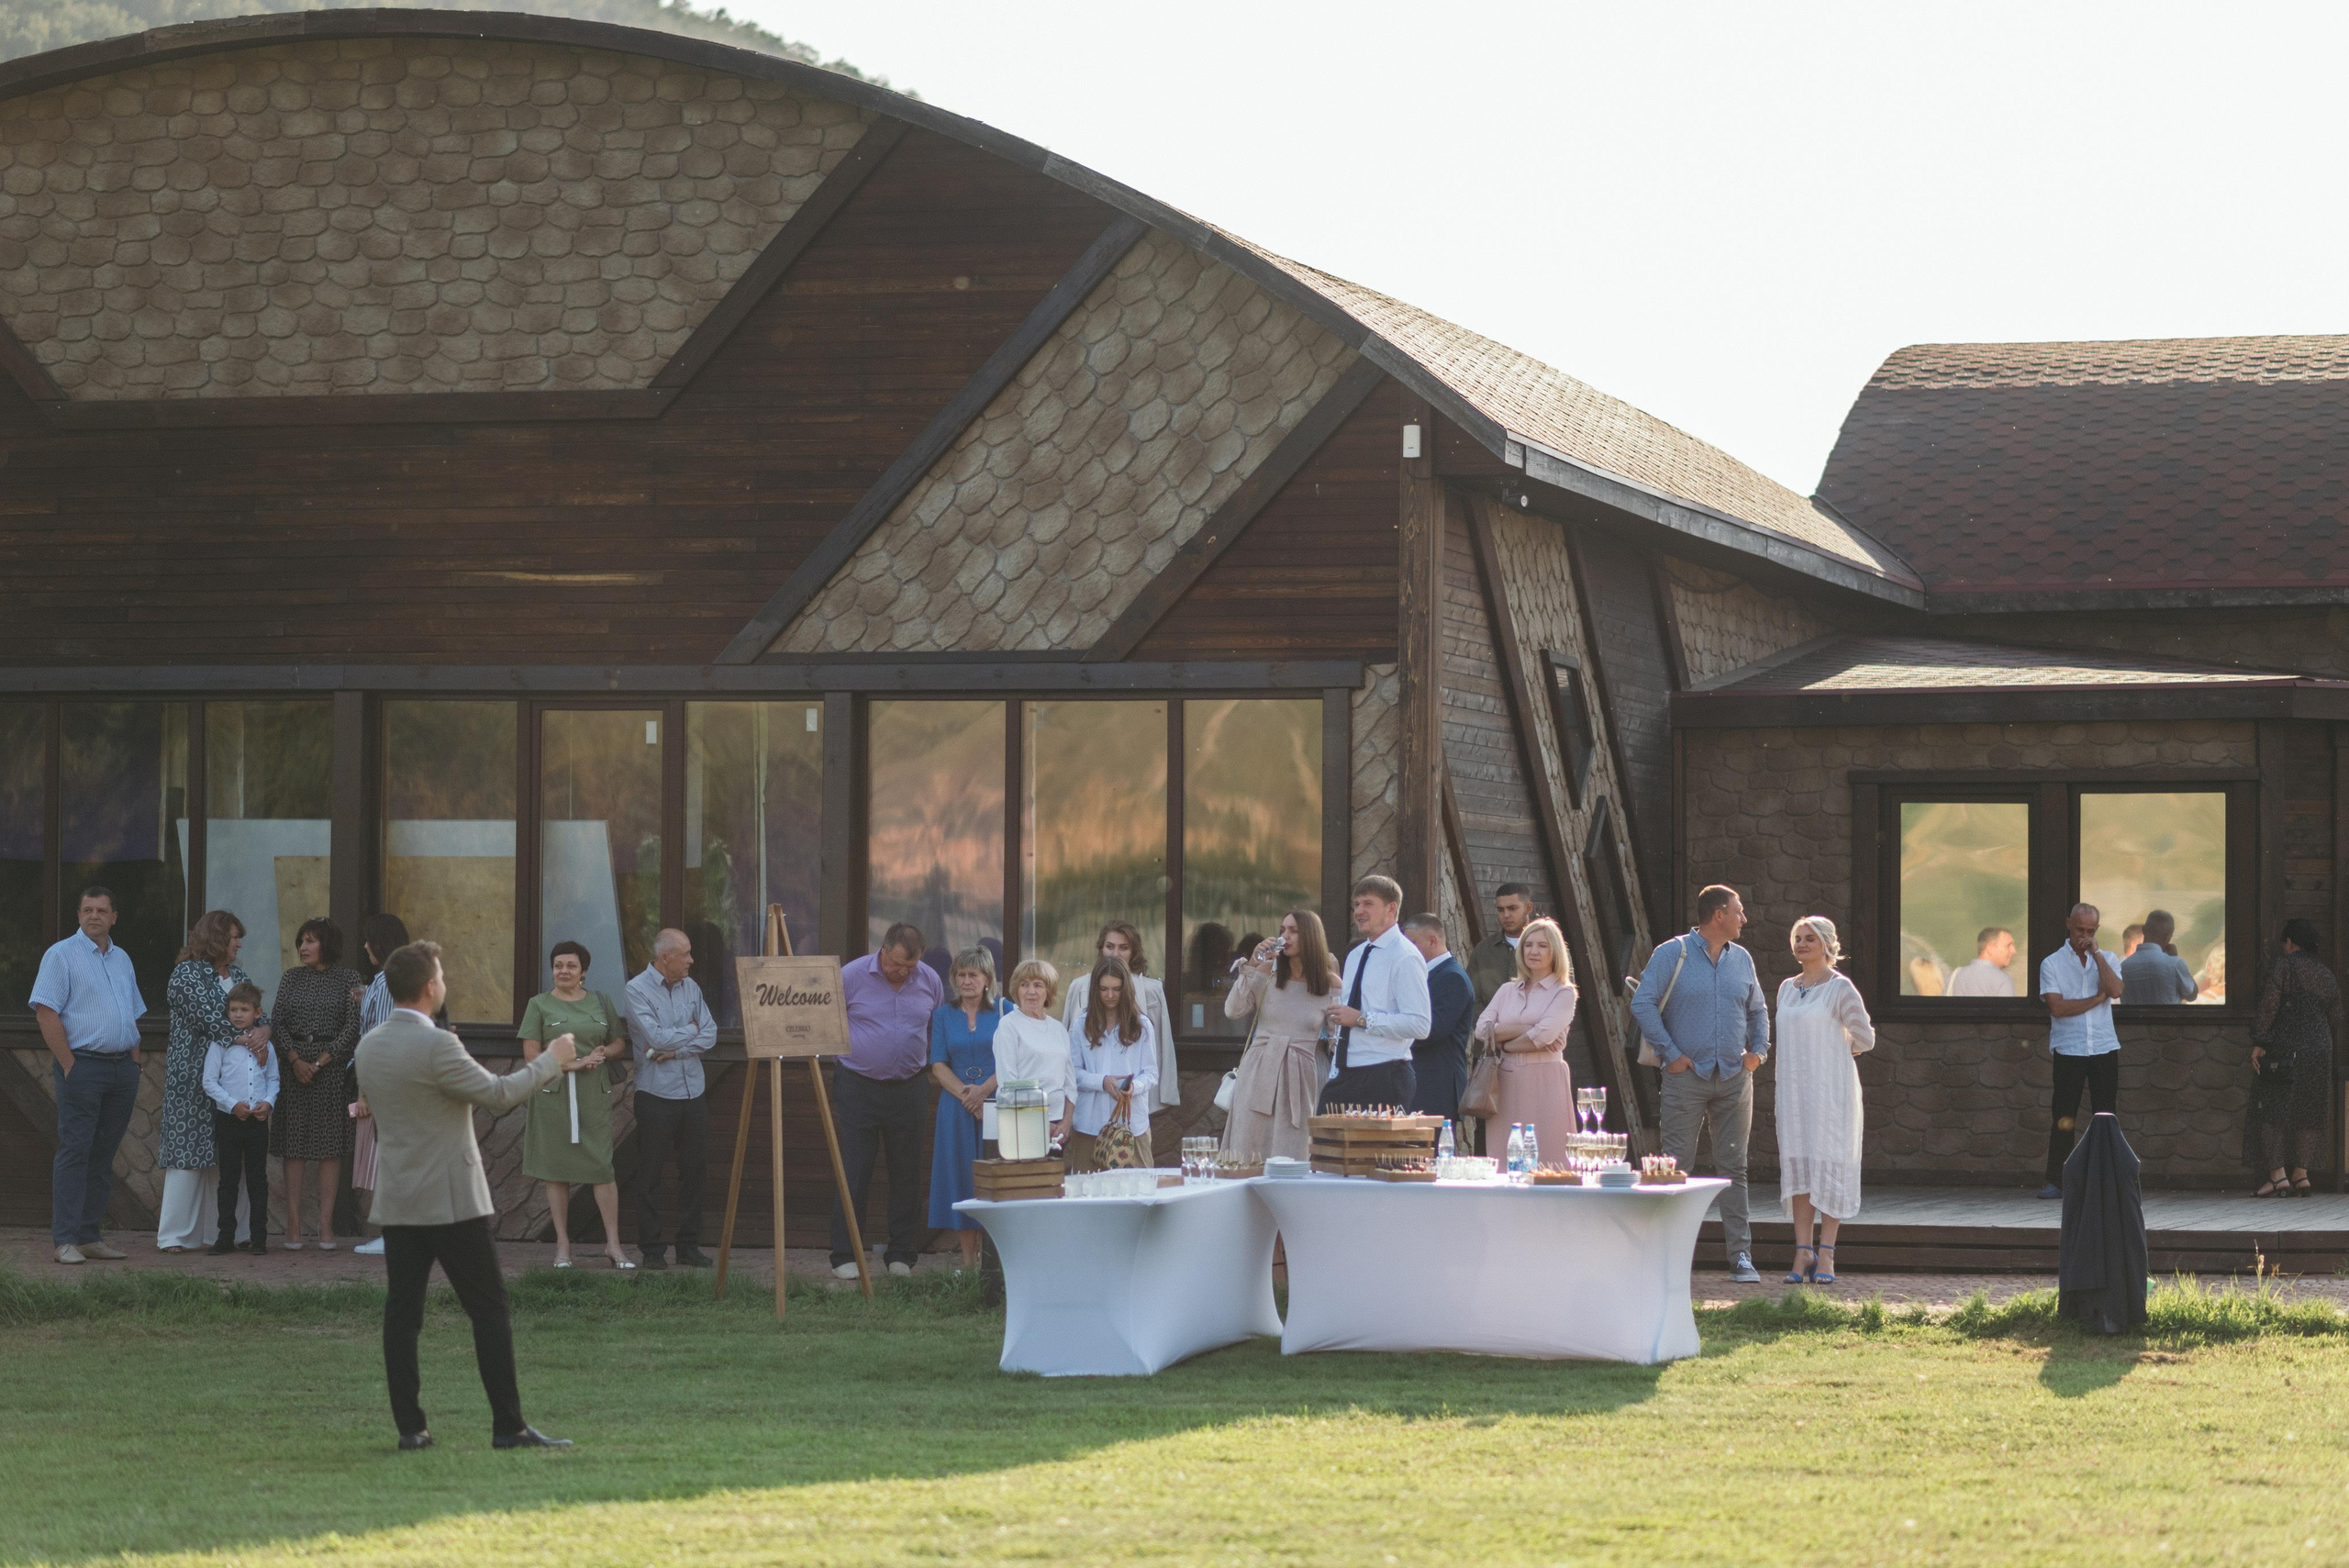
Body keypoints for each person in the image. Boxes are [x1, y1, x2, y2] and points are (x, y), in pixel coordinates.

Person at [357, 940, 575, 1451]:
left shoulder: (369, 1046)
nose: (445, 985)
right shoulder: (438, 1045)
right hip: (452, 1199)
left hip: (399, 1197)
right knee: (488, 1309)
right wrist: (551, 1060)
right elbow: (499, 1097)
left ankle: (411, 1430)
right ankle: (509, 1425)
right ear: (430, 987)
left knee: (402, 1314)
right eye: (443, 977)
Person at [1630, 884, 1770, 1283]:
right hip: (1685, 1079)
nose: (1744, 919)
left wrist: (1758, 1053)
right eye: (1738, 911)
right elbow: (1641, 1002)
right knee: (1674, 1169)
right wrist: (1671, 1055)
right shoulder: (1672, 953)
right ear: (1718, 915)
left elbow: (1758, 1011)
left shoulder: (1742, 959)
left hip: (1733, 1079)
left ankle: (1740, 1257)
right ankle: (1667, 1258)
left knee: (1734, 1170)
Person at [32, 886, 148, 1266]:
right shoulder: (61, 955)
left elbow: (131, 1011)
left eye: (101, 910)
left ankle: (88, 1236)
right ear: (79, 915)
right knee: (75, 1151)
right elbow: (46, 1012)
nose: (94, 916)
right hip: (83, 1065)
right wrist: (68, 1063)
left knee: (103, 1155)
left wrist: (134, 1060)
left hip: (121, 1069)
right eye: (87, 910)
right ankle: (65, 1240)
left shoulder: (122, 959)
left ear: (114, 916)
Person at [831, 922, 943, 1280]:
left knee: (907, 1172)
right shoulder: (850, 976)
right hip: (857, 1085)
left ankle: (901, 1253)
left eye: (909, 966)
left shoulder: (930, 980)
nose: (902, 972)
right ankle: (845, 1253)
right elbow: (829, 1022)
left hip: (910, 1086)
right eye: (897, 964)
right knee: (854, 1170)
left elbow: (934, 1028)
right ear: (883, 949)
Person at [1772, 915, 1876, 1284]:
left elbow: (1864, 1037)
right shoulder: (1786, 988)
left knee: (1829, 1166)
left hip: (1830, 1092)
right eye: (1797, 937)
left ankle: (1827, 1254)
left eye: (1809, 938)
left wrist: (1839, 1049)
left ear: (1827, 945)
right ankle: (1802, 1252)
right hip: (1795, 1092)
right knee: (1800, 1168)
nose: (1801, 944)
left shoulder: (1840, 988)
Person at [519, 940, 633, 1269]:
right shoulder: (538, 1005)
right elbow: (530, 1055)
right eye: (558, 965)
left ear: (583, 971)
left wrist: (602, 1054)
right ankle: (563, 1247)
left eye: (571, 965)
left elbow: (617, 1042)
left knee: (601, 1166)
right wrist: (570, 1065)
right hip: (553, 1094)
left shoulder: (601, 1001)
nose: (563, 971)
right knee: (556, 1171)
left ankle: (613, 1245)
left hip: (592, 1094)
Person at [158, 909, 264, 1253]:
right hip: (192, 1078)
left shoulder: (238, 974)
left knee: (231, 1159)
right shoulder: (185, 975)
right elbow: (212, 1019)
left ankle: (228, 1233)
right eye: (234, 936)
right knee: (188, 1156)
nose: (239, 943)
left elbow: (259, 1011)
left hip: (234, 1084)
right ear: (217, 938)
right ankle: (175, 1236)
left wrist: (265, 1029)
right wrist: (251, 1033)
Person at [626, 928, 716, 1270]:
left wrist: (676, 1050)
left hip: (693, 1092)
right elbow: (655, 1039)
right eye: (686, 954)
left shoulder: (691, 987)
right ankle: (652, 1250)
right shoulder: (636, 990)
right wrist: (691, 1032)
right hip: (656, 1095)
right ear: (666, 958)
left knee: (694, 1173)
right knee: (650, 1175)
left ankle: (688, 1246)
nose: (692, 960)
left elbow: (711, 1034)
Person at [273, 917, 362, 1251]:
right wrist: (296, 1061)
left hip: (332, 1070)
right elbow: (277, 1021)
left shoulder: (348, 978)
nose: (303, 948)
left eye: (310, 941)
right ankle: (293, 1223)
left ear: (327, 944)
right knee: (293, 1146)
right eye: (301, 942)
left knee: (329, 1148)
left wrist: (321, 1062)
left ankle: (325, 1224)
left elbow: (353, 1027)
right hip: (293, 1068)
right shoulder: (291, 977)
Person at [1221, 910, 1339, 1162]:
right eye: (1283, 930)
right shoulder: (1268, 972)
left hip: (1304, 1075)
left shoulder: (1330, 983)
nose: (1285, 936)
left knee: (1294, 1150)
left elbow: (1336, 1038)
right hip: (1259, 1071)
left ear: (1311, 936)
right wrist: (1252, 965)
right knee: (1249, 1150)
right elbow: (1233, 1010)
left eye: (1293, 931)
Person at [1319, 875, 1434, 1110]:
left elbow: (1420, 1025)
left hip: (1385, 1074)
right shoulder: (1356, 954)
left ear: (1391, 908)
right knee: (1323, 1145)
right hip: (1344, 1074)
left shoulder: (1405, 956)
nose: (1359, 911)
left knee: (1375, 1149)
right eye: (1356, 905)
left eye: (1368, 904)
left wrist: (1362, 1018)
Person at [1473, 916, 1578, 1157]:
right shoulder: (1507, 990)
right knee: (1504, 1152)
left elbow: (1544, 1035)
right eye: (1528, 945)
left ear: (1555, 951)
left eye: (1542, 946)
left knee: (1548, 1154)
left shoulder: (1564, 993)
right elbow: (1481, 1030)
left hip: (1546, 1081)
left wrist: (1505, 1042)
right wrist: (1530, 1027)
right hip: (1505, 1081)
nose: (1534, 951)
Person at [2039, 901, 2124, 1199]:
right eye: (2079, 930)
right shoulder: (2051, 963)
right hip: (2069, 1049)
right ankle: (2057, 1181)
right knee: (2064, 1117)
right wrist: (2094, 999)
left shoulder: (2109, 957)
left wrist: (2097, 954)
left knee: (2105, 1117)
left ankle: (2108, 1180)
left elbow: (2115, 991)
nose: (2084, 936)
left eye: (2090, 931)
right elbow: (2057, 1007)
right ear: (2068, 925)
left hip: (2103, 1047)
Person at [2251, 920, 2337, 1197]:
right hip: (2321, 1047)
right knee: (2310, 1111)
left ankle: (2277, 1176)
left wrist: (2259, 1041)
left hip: (2286, 1047)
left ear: (2289, 942)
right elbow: (2336, 1015)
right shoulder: (2325, 973)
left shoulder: (2284, 966)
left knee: (2272, 1108)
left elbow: (2269, 1005)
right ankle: (2302, 1174)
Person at [927, 948, 1001, 1269]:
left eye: (973, 974)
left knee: (993, 1179)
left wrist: (984, 1091)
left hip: (996, 1105)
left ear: (987, 979)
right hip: (956, 1109)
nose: (966, 980)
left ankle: (992, 1262)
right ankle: (969, 1262)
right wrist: (968, 1097)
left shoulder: (1005, 1011)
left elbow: (1014, 1059)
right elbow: (938, 1065)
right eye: (961, 974)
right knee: (960, 1178)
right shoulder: (943, 1015)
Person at [1061, 920, 1179, 1114]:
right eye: (1110, 947)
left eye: (1123, 948)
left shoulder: (1152, 990)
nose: (1115, 953)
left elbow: (1163, 1045)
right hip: (1088, 1103)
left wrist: (1162, 1091)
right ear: (1101, 949)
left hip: (1135, 1099)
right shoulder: (1079, 986)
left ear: (1134, 951)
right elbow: (1068, 1050)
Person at [349, 913, 413, 1258]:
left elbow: (383, 1037)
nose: (364, 946)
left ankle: (396, 1236)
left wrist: (366, 1092)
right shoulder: (386, 980)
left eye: (369, 939)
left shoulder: (390, 980)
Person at [202, 981, 279, 1256]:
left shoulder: (266, 1047)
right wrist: (232, 1104)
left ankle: (259, 1238)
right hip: (229, 1120)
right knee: (229, 1180)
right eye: (232, 1009)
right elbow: (209, 1082)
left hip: (258, 1122)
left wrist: (268, 1103)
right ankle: (225, 1236)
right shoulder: (220, 1045)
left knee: (258, 1179)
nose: (237, 1015)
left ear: (257, 1013)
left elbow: (273, 1079)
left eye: (243, 1010)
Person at [1069, 955, 1158, 1168]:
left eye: (1116, 989)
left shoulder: (1142, 1025)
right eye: (1104, 989)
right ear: (1095, 989)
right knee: (1087, 1194)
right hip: (1089, 1125)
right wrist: (1102, 1081)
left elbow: (1151, 1073)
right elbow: (1072, 1073)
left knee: (1137, 1193)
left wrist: (1133, 1087)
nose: (1110, 995)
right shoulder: (1081, 1024)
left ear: (1126, 989)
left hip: (1131, 1126)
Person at [1402, 913, 1475, 1119]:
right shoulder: (1425, 974)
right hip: (1421, 1082)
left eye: (1413, 943)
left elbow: (1432, 1030)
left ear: (1432, 940)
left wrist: (1392, 1029)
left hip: (1436, 1086)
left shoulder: (1452, 977)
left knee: (1433, 1151)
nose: (1407, 951)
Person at [995, 959, 1074, 1143]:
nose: (1031, 991)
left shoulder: (1058, 1029)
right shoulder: (1008, 1025)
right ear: (1017, 989)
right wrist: (1039, 1123)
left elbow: (1070, 1084)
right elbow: (1008, 1083)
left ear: (1048, 991)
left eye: (1038, 985)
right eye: (1024, 985)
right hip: (1022, 1122)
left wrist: (1066, 1123)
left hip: (1057, 1128)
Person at [1464, 883, 1535, 1010]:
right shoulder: (1483, 950)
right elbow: (1471, 996)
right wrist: (1489, 1027)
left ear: (1528, 908)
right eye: (1500, 910)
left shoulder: (1548, 947)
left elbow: (1561, 995)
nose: (1506, 915)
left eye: (1512, 908)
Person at [2120, 910, 2197, 1005]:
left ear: (2143, 930)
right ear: (2169, 936)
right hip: (2166, 1020)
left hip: (2131, 1020)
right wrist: (2175, 957)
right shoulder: (2175, 964)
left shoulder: (2123, 967)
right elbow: (2192, 995)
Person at [1943, 928, 2018, 997]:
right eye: (2008, 945)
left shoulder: (1953, 977)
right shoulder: (2003, 980)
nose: (2014, 951)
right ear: (1990, 948)